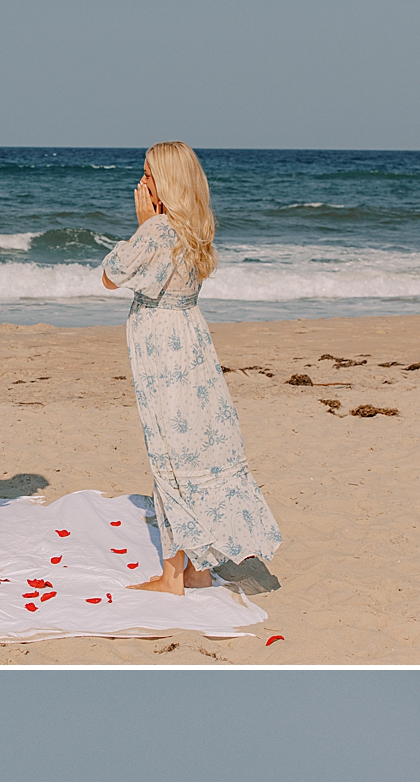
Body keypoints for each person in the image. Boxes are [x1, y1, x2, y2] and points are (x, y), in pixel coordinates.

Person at [101, 143, 281, 594]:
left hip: (161, 348)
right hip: (192, 342)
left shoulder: (159, 228)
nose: (140, 183)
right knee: (195, 447)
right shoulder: (196, 224)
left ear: (167, 180)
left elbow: (111, 273)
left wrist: (142, 225)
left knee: (167, 453)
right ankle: (198, 567)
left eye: (148, 175)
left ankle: (172, 577)